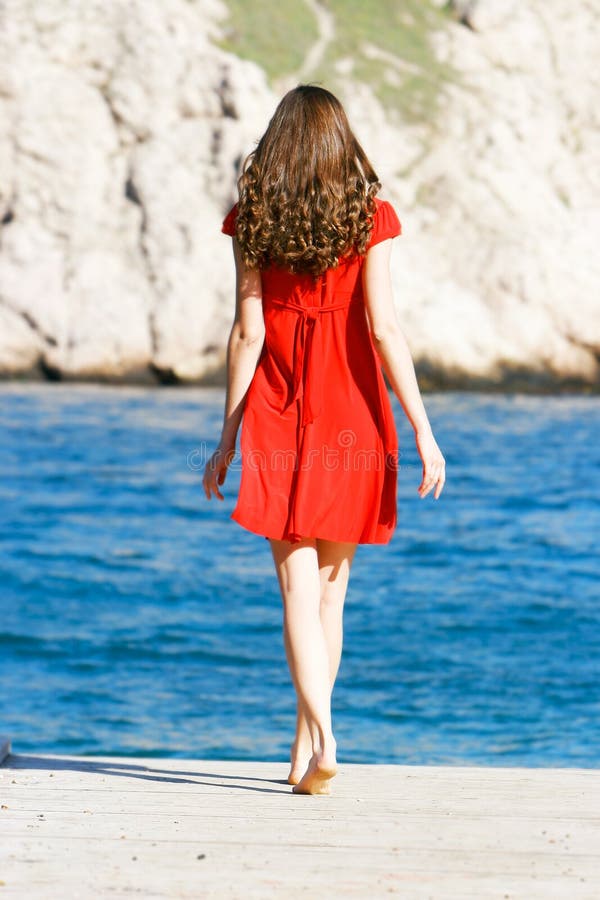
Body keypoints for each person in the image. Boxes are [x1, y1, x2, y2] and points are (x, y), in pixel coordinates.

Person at [203, 84, 445, 796]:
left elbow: (248, 332)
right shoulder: (370, 218)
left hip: (281, 411)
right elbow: (385, 330)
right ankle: (310, 748)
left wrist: (226, 435)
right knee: (332, 597)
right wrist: (423, 431)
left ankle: (321, 738)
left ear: (278, 144)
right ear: (342, 143)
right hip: (355, 415)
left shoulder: (253, 220)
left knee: (294, 591)